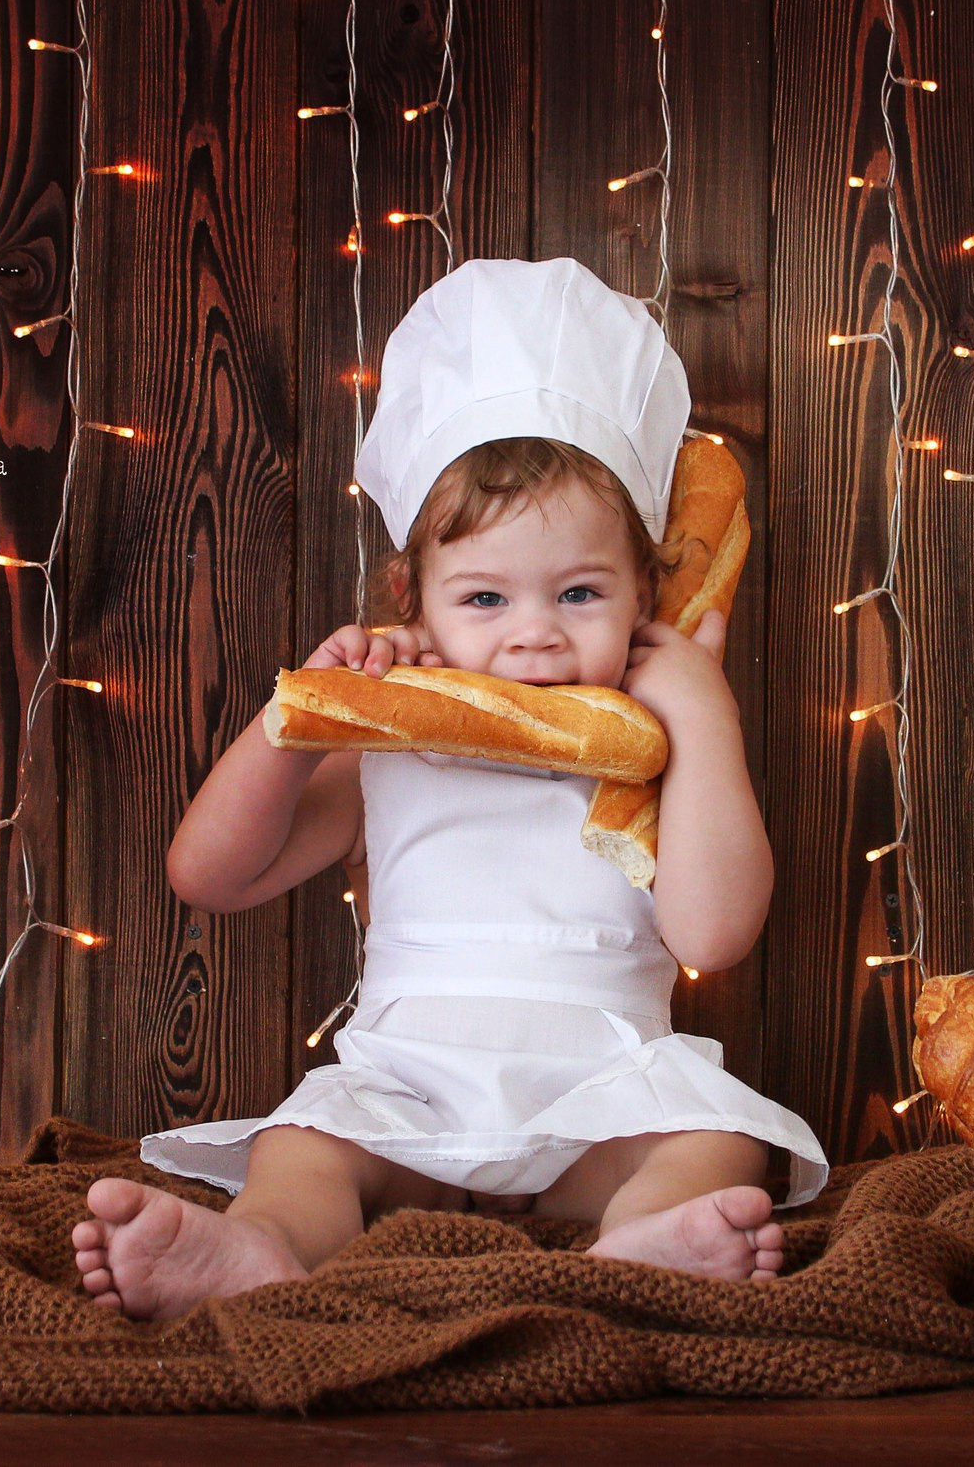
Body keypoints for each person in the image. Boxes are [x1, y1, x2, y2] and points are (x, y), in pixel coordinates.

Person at [72, 257, 828, 1321]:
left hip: (603, 1098)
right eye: (483, 596)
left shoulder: (656, 750)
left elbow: (710, 934)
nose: (532, 633)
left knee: (718, 1142)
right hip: (406, 1094)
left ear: (645, 595)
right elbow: (207, 874)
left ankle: (637, 1249)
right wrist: (296, 724)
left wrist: (703, 716)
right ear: (409, 603)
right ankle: (259, 1249)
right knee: (307, 1151)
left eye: (579, 592)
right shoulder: (386, 754)